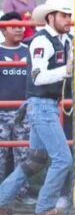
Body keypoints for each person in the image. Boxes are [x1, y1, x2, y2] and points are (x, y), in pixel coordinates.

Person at [0, 0, 74, 215]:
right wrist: (67, 70)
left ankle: (2, 201)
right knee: (62, 159)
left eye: (69, 15)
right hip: (43, 105)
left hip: (43, 105)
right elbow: (39, 77)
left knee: (35, 160)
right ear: (51, 17)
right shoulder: (42, 42)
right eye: (64, 15)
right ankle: (44, 206)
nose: (68, 20)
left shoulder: (61, 40)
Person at [0, 12, 34, 204]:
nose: (20, 29)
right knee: (0, 155)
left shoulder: (28, 50)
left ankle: (22, 194)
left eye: (21, 26)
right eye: (14, 26)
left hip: (24, 111)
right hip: (1, 112)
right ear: (3, 30)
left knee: (23, 153)